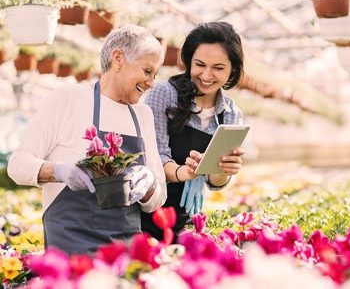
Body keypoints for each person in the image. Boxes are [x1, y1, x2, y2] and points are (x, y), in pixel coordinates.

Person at [7, 25, 167, 254]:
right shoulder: (68, 98)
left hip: (125, 250)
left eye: (155, 74)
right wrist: (59, 171)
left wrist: (150, 184)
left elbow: (158, 199)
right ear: (118, 58)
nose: (151, 82)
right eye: (147, 70)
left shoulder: (143, 115)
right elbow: (17, 165)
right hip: (71, 245)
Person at [141, 21, 245, 240]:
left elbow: (214, 181)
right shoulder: (163, 94)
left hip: (185, 217)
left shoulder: (230, 114)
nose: (207, 75)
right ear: (189, 62)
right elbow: (153, 155)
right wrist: (183, 172)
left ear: (232, 70)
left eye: (218, 68)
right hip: (144, 209)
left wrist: (224, 169)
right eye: (200, 65)